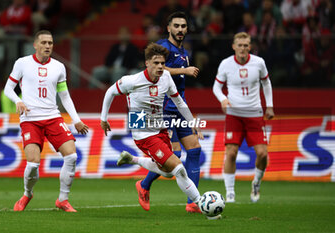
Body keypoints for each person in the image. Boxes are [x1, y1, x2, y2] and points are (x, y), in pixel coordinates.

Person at [100, 43, 203, 212]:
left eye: (163, 63)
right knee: (178, 168)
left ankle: (132, 161)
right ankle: (201, 203)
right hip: (142, 130)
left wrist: (192, 122)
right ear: (147, 63)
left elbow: (178, 101)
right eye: (156, 63)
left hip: (159, 125)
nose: (160, 67)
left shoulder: (166, 78)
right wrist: (103, 119)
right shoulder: (132, 81)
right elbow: (110, 91)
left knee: (168, 172)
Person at [3, 30, 89, 212]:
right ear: (35, 45)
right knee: (33, 164)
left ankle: (62, 200)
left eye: (50, 43)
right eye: (43, 43)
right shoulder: (22, 63)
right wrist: (18, 101)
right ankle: (27, 194)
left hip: (52, 117)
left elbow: (64, 96)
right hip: (30, 119)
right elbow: (8, 89)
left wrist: (76, 120)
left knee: (72, 156)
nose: (48, 46)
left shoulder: (58, 67)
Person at [136, 11, 202, 213]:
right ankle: (144, 185)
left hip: (179, 107)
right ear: (169, 28)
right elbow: (159, 70)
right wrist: (184, 71)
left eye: (183, 26)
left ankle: (193, 202)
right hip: (162, 108)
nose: (180, 29)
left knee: (195, 150)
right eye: (176, 26)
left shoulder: (184, 52)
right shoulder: (163, 47)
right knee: (174, 155)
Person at [212, 32, 274, 203]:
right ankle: (230, 192)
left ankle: (256, 183)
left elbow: (266, 83)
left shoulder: (258, 62)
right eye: (239, 45)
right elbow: (216, 87)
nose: (243, 48)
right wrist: (223, 99)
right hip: (234, 115)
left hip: (255, 113)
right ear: (234, 46)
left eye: (246, 45)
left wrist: (269, 105)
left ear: (250, 46)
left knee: (262, 154)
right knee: (231, 153)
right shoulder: (226, 64)